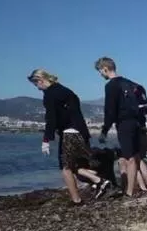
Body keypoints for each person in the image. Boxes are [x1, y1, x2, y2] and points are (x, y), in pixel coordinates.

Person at [28, 69, 111, 204]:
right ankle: (100, 182)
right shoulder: (66, 91)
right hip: (81, 132)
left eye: (36, 84)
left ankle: (77, 199)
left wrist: (46, 139)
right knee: (78, 166)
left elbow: (51, 118)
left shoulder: (49, 94)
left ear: (40, 80)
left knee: (66, 169)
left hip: (69, 134)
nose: (37, 88)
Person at [94, 57, 147, 197]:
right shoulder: (132, 84)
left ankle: (130, 191)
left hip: (124, 124)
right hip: (139, 124)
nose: (100, 74)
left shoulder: (111, 85)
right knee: (137, 157)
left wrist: (104, 130)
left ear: (105, 68)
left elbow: (110, 111)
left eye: (100, 71)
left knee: (129, 158)